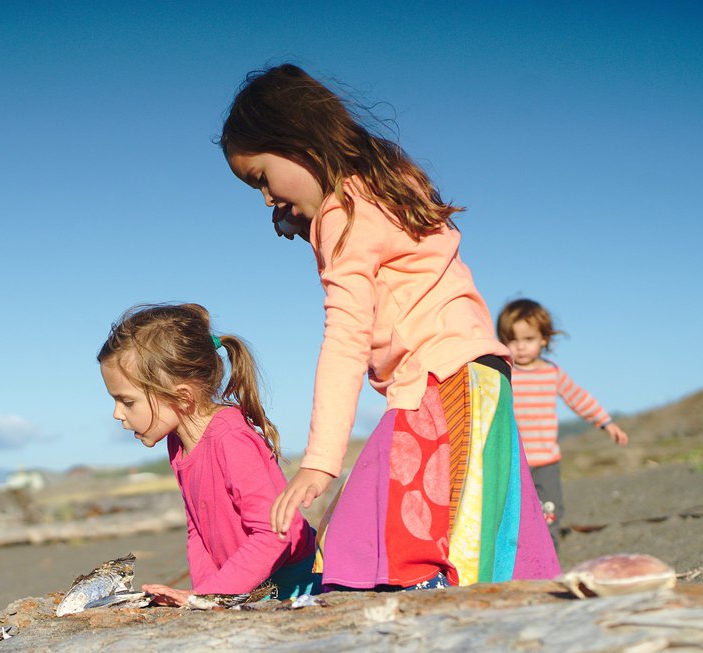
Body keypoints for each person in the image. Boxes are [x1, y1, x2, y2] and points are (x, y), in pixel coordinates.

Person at [221, 63, 560, 590]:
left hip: (439, 380)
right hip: (472, 373)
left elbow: (345, 338)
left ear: (297, 140)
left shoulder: (341, 214)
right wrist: (304, 218)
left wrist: (319, 462)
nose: (266, 200)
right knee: (474, 518)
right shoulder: (386, 180)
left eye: (262, 179)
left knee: (400, 540)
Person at [97, 303, 321, 605]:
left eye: (127, 401)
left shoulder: (230, 440)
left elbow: (276, 532)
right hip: (246, 584)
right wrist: (201, 596)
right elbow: (198, 531)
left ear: (181, 396)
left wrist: (211, 594)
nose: (117, 414)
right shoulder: (178, 444)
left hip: (294, 581)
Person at [497, 298, 629, 545]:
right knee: (513, 517)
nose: (521, 347)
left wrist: (605, 422)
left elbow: (579, 398)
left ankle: (549, 563)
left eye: (528, 339)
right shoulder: (505, 374)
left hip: (547, 462)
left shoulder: (552, 373)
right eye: (512, 340)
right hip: (514, 461)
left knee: (550, 513)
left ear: (544, 339)